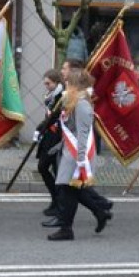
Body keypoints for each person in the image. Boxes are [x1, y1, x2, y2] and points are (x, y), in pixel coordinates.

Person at [47, 68, 99, 241]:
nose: (66, 85)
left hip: (77, 156)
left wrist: (81, 159)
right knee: (69, 192)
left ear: (75, 85)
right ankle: (99, 213)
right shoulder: (74, 102)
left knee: (67, 192)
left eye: (68, 82)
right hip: (70, 152)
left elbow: (83, 134)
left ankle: (66, 229)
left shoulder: (82, 104)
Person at [34, 69, 64, 217]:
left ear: (57, 82)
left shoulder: (61, 97)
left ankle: (59, 202)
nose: (46, 86)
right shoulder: (52, 96)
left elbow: (54, 117)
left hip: (57, 137)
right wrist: (40, 129)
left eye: (48, 83)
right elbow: (49, 116)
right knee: (45, 168)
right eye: (45, 83)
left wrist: (40, 128)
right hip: (49, 135)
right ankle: (56, 200)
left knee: (51, 169)